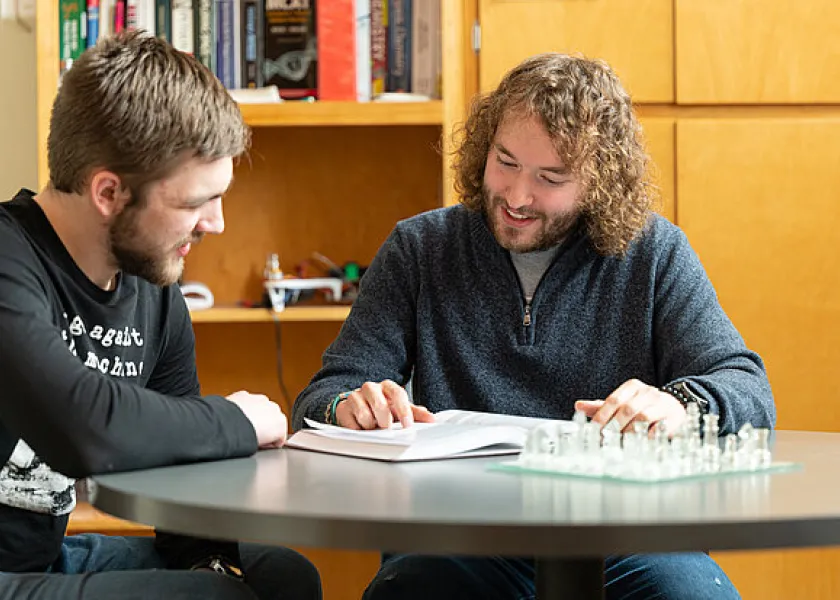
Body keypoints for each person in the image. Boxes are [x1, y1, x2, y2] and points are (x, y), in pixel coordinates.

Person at [292, 53, 775, 599]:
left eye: (550, 178)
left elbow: (746, 386)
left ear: (599, 181)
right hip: (457, 537)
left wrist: (680, 405)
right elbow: (321, 396)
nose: (518, 197)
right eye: (505, 162)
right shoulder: (419, 249)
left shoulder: (654, 252)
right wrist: (348, 406)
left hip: (630, 537)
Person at [0, 31, 321, 600]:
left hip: (42, 562)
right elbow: (82, 429)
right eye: (195, 203)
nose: (216, 224)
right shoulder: (7, 258)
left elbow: (183, 467)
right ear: (108, 192)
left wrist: (207, 562)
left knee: (282, 577)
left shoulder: (153, 287)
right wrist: (235, 421)